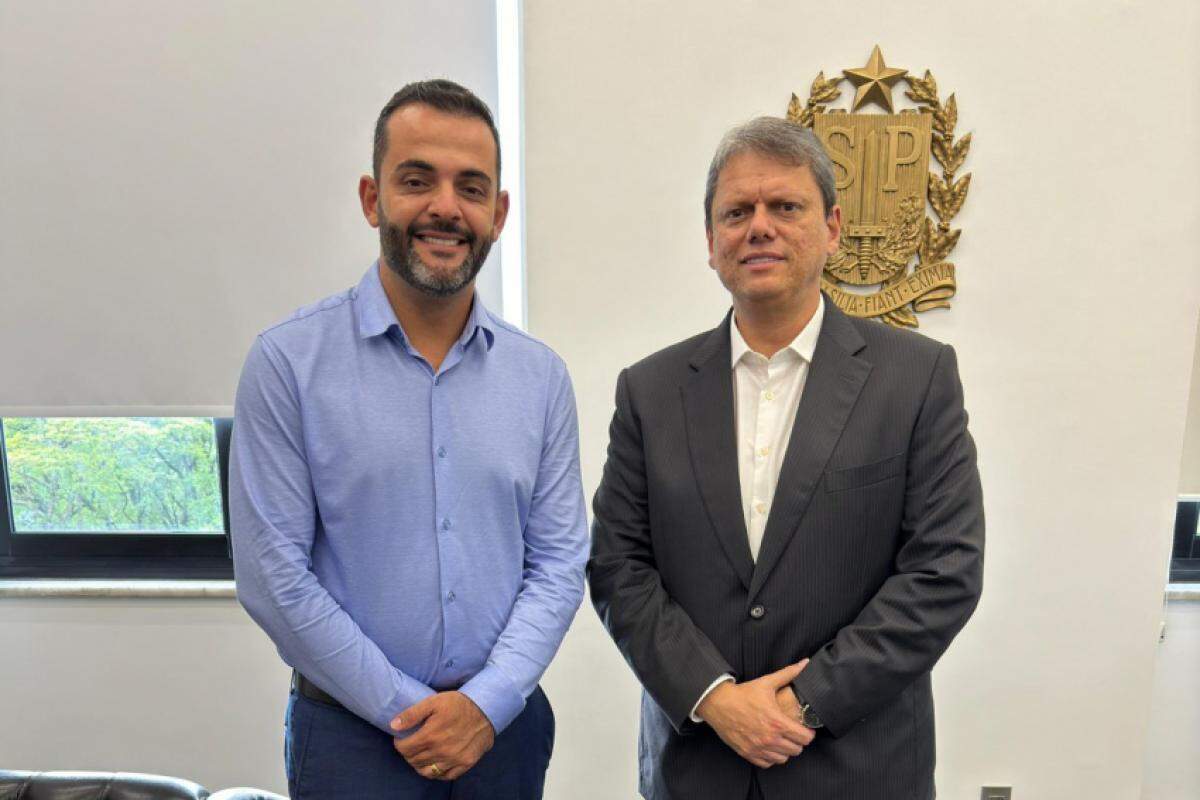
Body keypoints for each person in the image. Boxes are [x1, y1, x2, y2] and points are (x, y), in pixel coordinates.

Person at [588, 116, 984, 800]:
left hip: (859, 769)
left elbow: (944, 570)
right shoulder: (649, 392)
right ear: (710, 244)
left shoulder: (916, 379)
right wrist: (715, 698)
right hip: (696, 769)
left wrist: (797, 705)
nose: (759, 227)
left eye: (786, 207)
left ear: (831, 228)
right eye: (737, 212)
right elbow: (619, 567)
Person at [229, 79, 588, 800]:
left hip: (503, 736)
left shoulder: (541, 378)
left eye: (471, 187)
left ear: (499, 214)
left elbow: (558, 562)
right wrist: (410, 713)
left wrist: (483, 706)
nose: (445, 208)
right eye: (417, 180)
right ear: (372, 198)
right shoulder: (288, 364)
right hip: (350, 740)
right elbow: (273, 575)